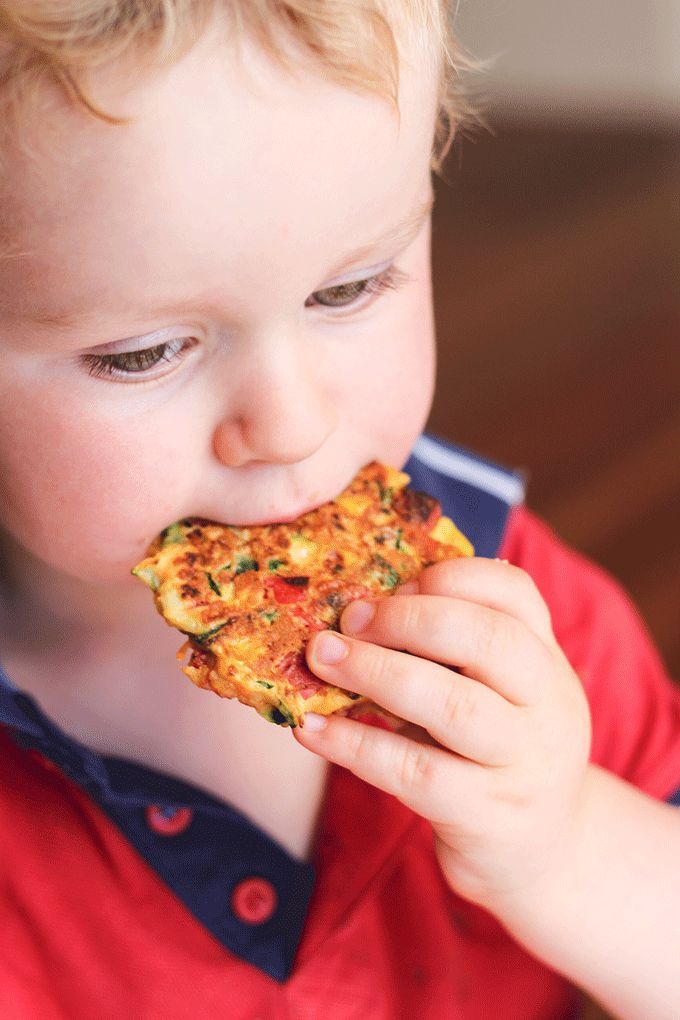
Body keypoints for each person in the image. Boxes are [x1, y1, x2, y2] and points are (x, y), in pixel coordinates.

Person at [0, 2, 678, 1017]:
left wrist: (562, 841)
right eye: (143, 351)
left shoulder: (523, 630)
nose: (291, 422)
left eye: (350, 287)